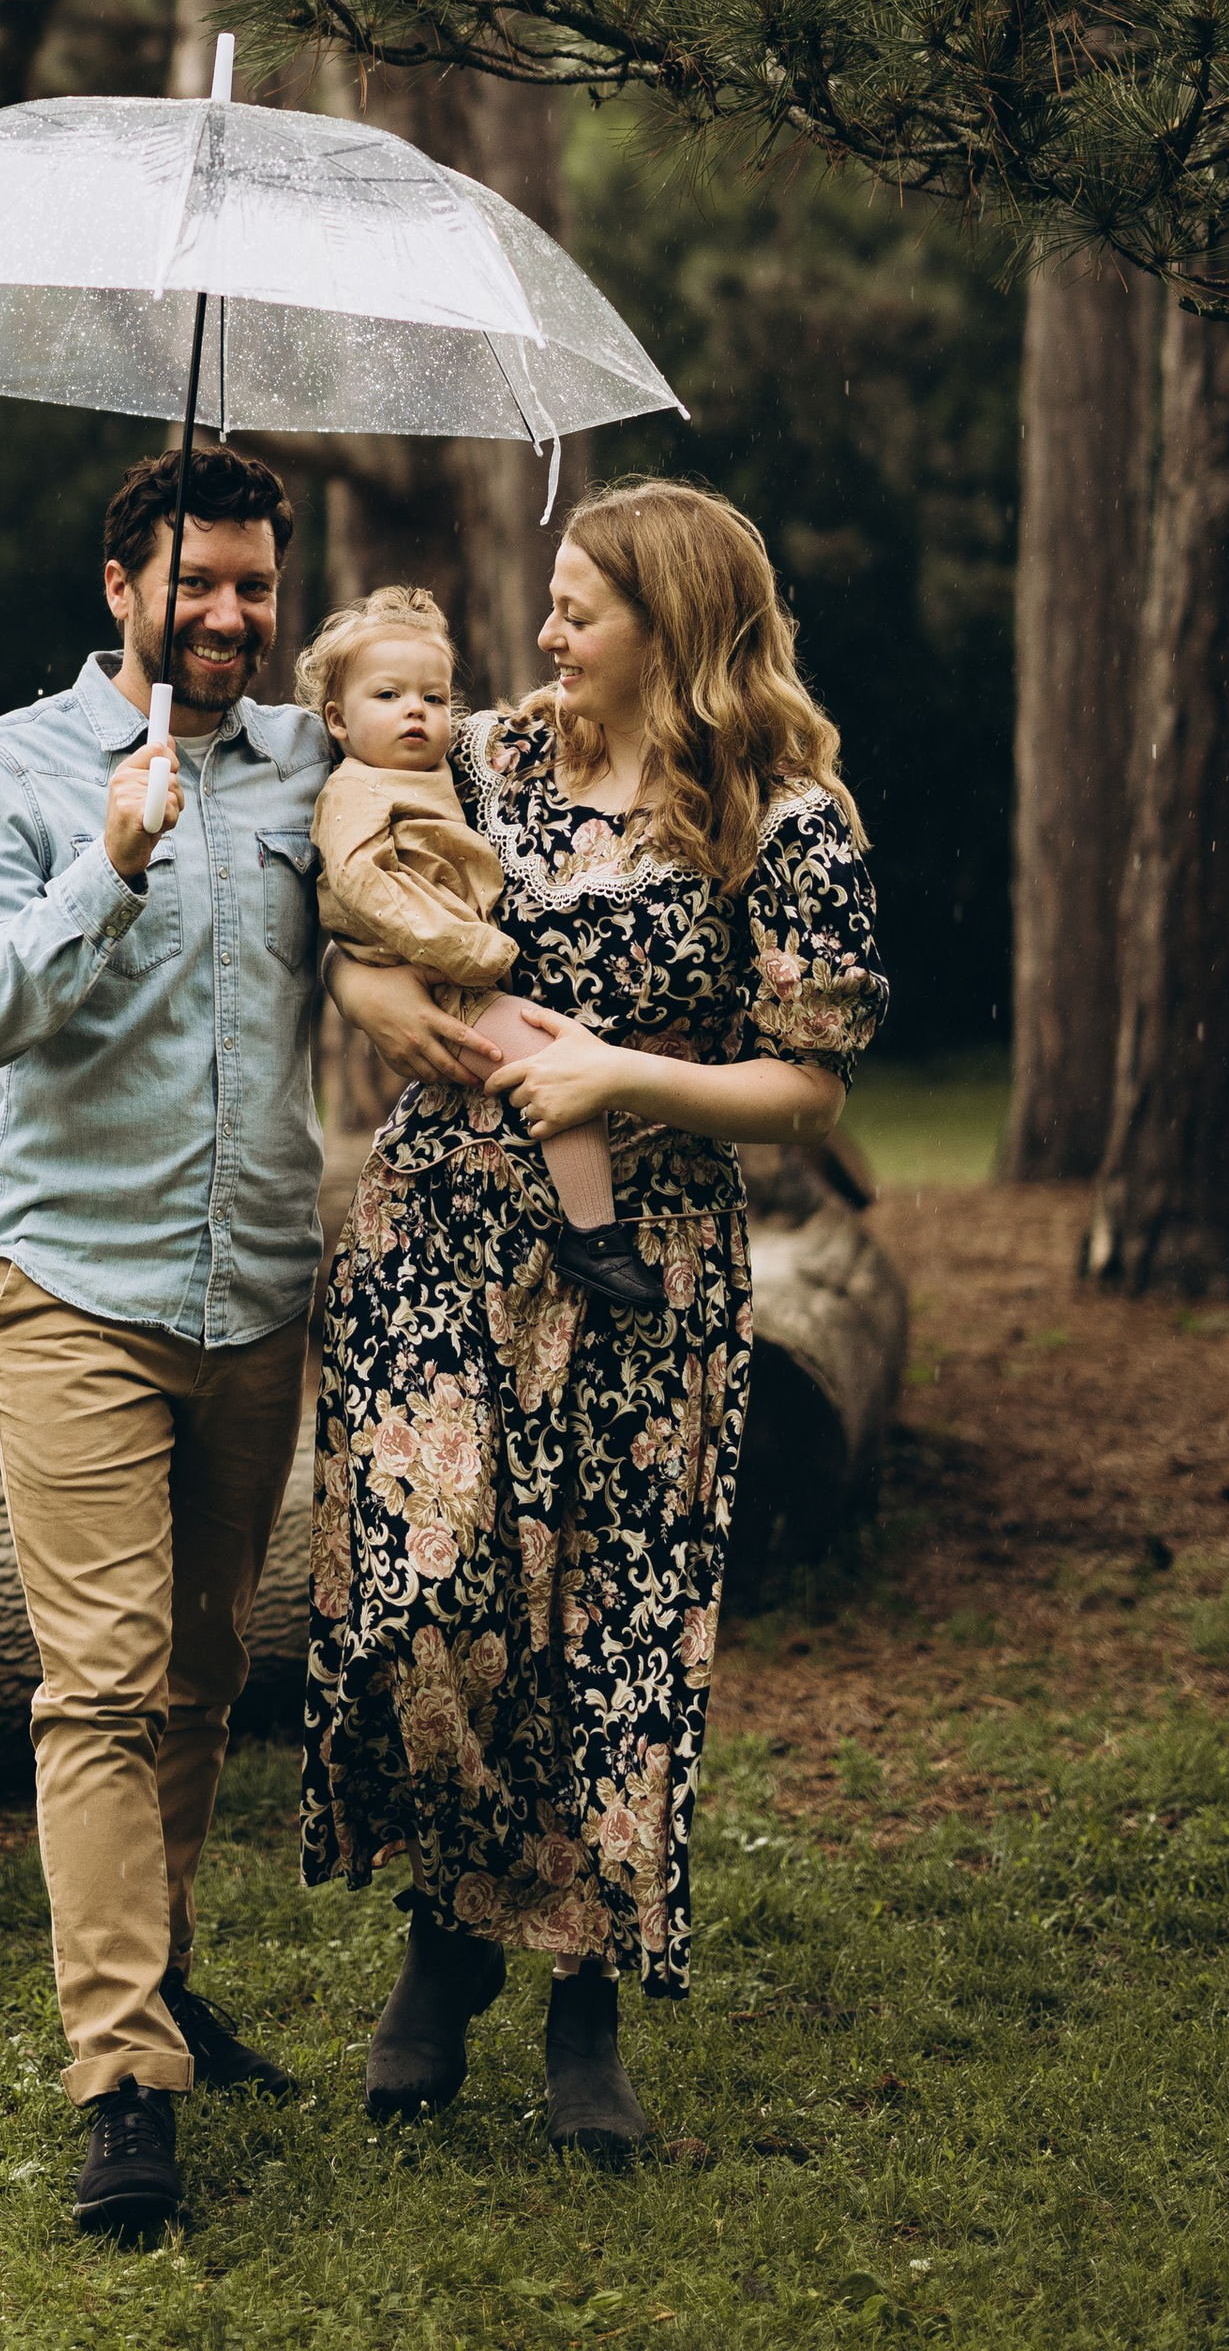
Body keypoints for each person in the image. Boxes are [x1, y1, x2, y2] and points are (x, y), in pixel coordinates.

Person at [305, 479, 887, 2159]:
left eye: (582, 608)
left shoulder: (786, 814)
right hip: (437, 1239)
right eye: (551, 603)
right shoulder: (480, 755)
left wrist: (623, 1071)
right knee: (430, 1603)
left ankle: (580, 2000)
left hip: (649, 1261)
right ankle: (446, 1919)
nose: (545, 634)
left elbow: (816, 1081)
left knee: (610, 1637)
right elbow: (334, 865)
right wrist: (358, 979)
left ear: (677, 629)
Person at [0, 443, 328, 2243]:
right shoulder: (12, 766)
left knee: (204, 1674)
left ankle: (153, 1974)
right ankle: (122, 2083)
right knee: (96, 1685)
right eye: (198, 585)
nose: (229, 616)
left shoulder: (316, 771)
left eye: (255, 585)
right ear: (121, 590)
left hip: (257, 1299)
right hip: (76, 1291)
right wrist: (107, 860)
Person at [296, 582, 659, 1312]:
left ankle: (587, 1227)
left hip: (441, 968)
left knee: (556, 1069)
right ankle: (595, 1235)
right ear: (337, 719)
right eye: (390, 695)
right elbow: (369, 891)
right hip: (436, 974)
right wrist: (473, 950)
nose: (416, 712)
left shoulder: (437, 770)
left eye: (433, 698)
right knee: (557, 1066)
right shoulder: (357, 792)